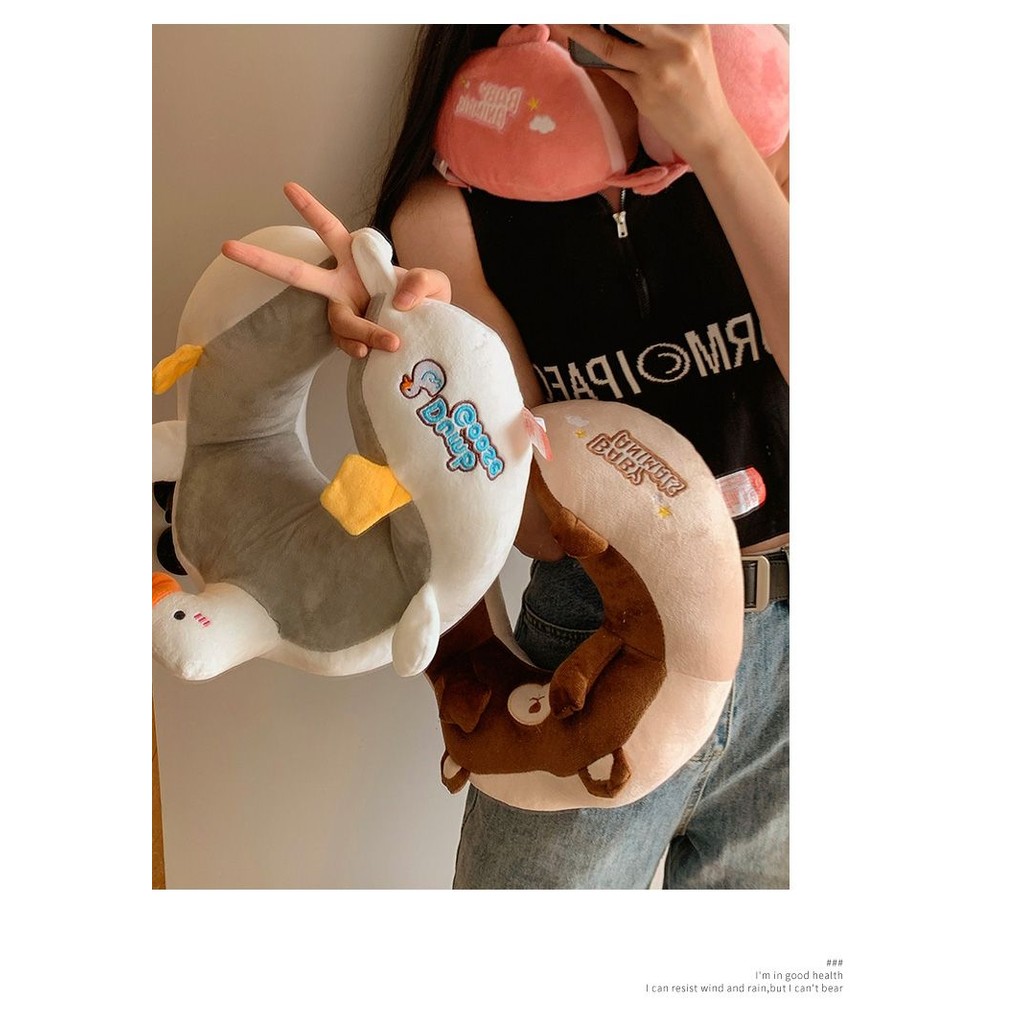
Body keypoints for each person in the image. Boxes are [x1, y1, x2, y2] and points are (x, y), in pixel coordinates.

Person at [223, 23, 789, 889]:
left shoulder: (768, 134)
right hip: (596, 635)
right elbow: (534, 525)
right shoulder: (449, 212)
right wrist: (427, 358)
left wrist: (712, 132)